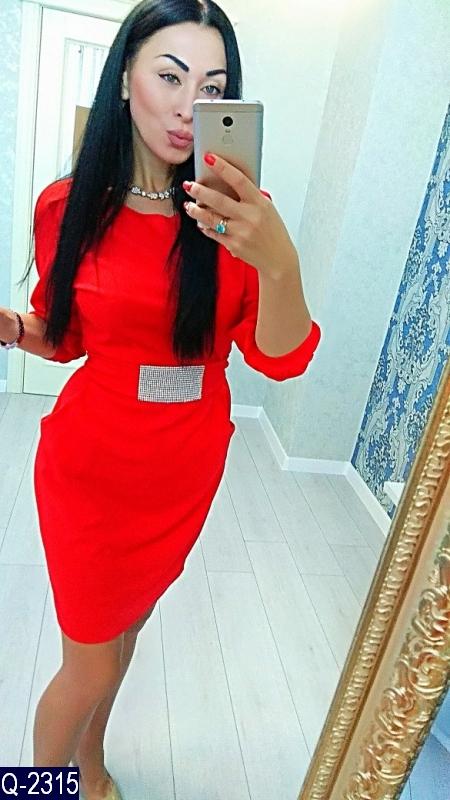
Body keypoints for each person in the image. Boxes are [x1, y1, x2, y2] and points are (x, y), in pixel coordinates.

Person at [0, 1, 321, 797]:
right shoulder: (67, 206)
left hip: (182, 465)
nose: (187, 106)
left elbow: (280, 361)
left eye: (211, 87)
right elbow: (65, 340)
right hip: (90, 463)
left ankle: (90, 767)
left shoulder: (238, 219)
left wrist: (278, 262)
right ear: (125, 81)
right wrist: (11, 328)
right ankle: (36, 788)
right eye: (170, 76)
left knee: (126, 635)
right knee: (90, 660)